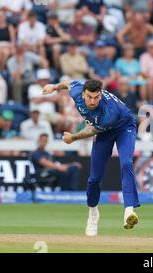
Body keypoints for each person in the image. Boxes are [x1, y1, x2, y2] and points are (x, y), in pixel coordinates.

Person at [42, 79, 140, 235]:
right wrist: (54, 87)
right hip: (104, 133)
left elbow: (92, 131)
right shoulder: (76, 92)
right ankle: (93, 215)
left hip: (124, 127)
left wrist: (73, 137)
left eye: (96, 97)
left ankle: (129, 210)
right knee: (94, 178)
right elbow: (68, 83)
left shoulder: (110, 112)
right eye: (89, 97)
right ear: (83, 94)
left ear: (100, 95)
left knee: (126, 163)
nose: (93, 101)